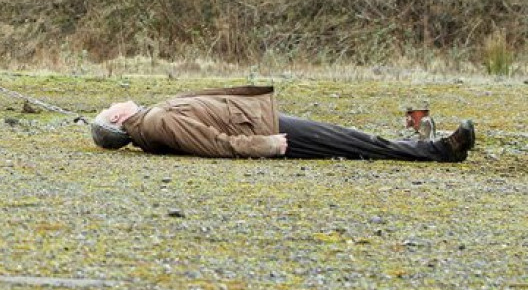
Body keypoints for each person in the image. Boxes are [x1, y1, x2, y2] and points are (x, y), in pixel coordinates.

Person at [89, 85, 475, 162]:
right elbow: (211, 143)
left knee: (348, 140)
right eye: (111, 107)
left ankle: (423, 144)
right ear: (118, 119)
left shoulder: (152, 118)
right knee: (348, 142)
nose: (114, 101)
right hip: (264, 131)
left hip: (261, 123)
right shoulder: (155, 121)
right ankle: (440, 150)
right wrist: (267, 145)